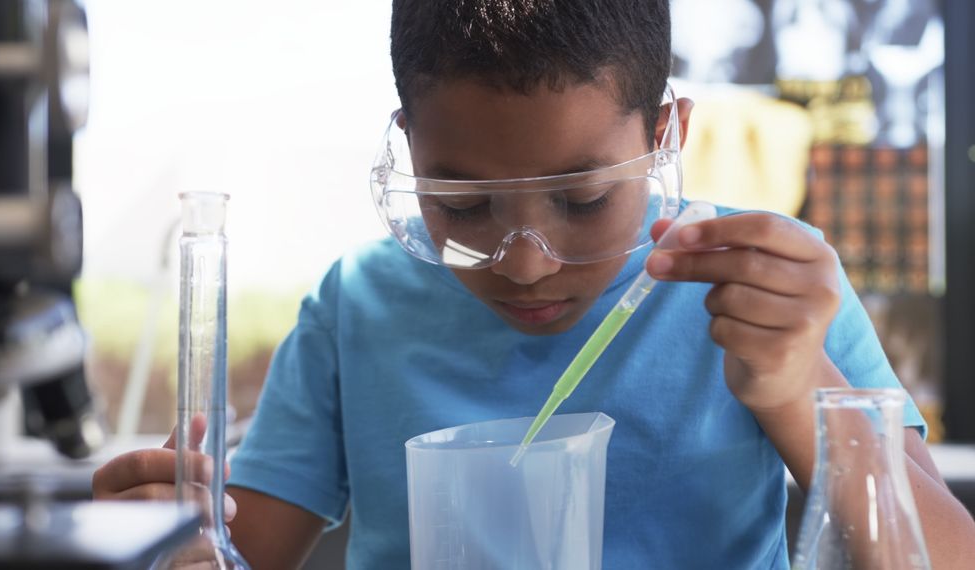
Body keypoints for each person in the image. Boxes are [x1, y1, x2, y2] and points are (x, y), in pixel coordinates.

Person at [92, 1, 975, 568]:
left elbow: (943, 558)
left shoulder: (767, 293)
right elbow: (245, 550)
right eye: (464, 203)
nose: (526, 262)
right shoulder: (356, 308)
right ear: (409, 146)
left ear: (666, 133)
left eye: (584, 198)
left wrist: (793, 385)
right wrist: (173, 533)